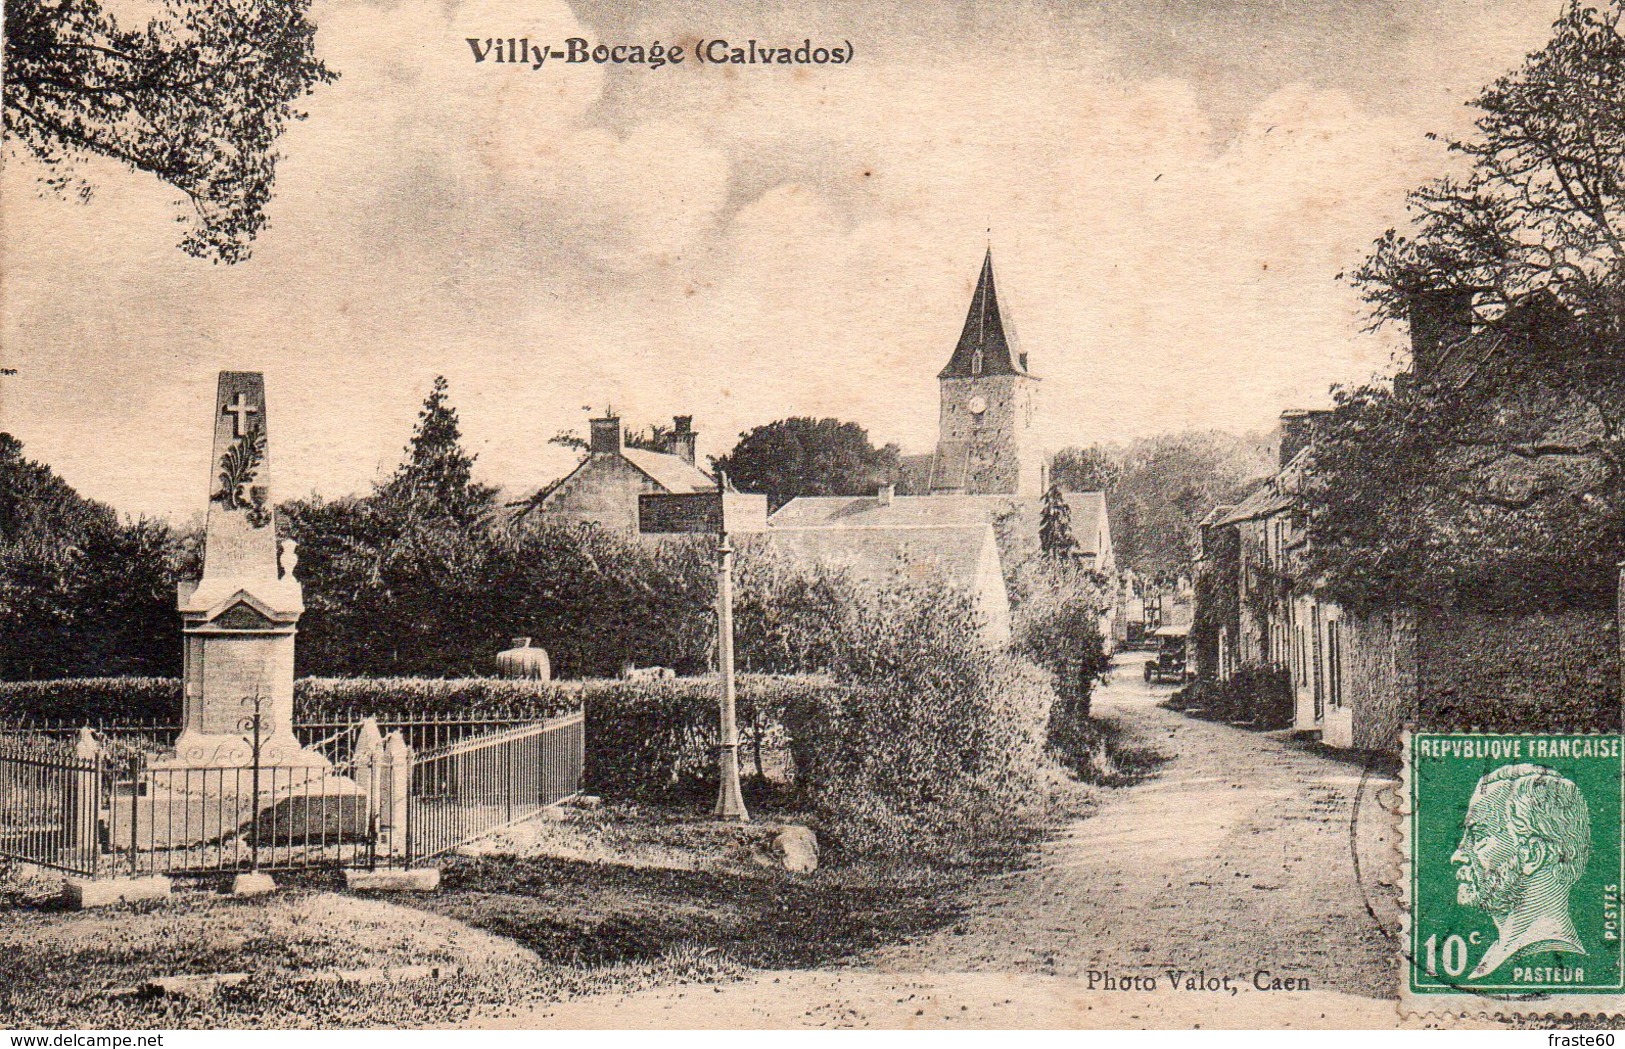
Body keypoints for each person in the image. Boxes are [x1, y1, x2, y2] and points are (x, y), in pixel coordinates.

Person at [1452, 763, 1591, 978]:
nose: (1457, 856)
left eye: (1478, 837)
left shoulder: (1544, 954)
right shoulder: (1500, 953)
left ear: (1533, 855)